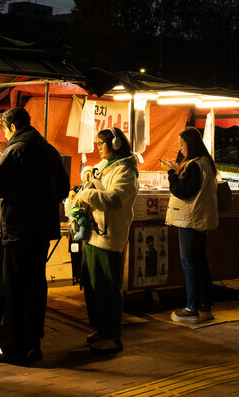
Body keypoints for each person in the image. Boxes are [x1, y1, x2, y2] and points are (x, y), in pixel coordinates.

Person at [0, 106, 69, 365]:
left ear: (11, 127)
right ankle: (33, 344)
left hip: (18, 230)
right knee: (35, 286)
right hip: (42, 231)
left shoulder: (15, 149)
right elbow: (64, 189)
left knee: (13, 287)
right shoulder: (49, 150)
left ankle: (12, 346)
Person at [69, 127, 139, 353]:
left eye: (101, 144)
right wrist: (87, 172)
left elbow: (115, 199)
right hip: (92, 233)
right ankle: (101, 328)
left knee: (108, 287)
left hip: (109, 236)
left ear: (115, 144)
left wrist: (86, 195)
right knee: (92, 285)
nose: (98, 148)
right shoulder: (108, 164)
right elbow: (93, 173)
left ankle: (112, 336)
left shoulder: (126, 170)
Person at [163, 126, 218, 323]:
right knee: (201, 262)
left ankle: (192, 307)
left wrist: (171, 174)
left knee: (190, 263)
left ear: (191, 144)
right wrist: (179, 172)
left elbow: (183, 191)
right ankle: (205, 306)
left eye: (182, 144)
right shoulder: (204, 163)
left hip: (190, 220)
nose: (180, 149)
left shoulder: (195, 165)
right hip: (199, 219)